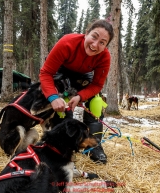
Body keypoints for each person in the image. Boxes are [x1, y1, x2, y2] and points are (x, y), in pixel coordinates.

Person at [39, 19, 114, 164]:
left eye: (102, 42)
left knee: (97, 103)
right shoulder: (67, 43)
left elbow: (97, 84)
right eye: (94, 36)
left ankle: (93, 146)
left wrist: (80, 96)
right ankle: (63, 145)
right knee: (62, 105)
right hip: (61, 74)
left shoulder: (104, 57)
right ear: (86, 33)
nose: (95, 45)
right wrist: (53, 97)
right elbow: (46, 73)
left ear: (106, 46)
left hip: (83, 76)